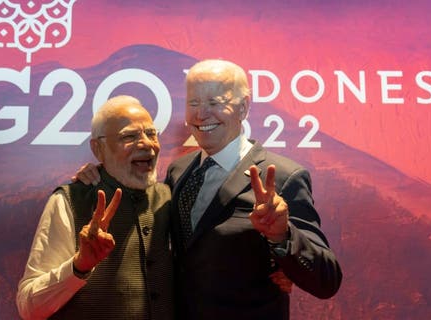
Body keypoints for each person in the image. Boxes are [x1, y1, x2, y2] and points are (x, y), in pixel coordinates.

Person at [75, 59, 342, 319]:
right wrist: (101, 172)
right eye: (194, 103)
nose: (201, 114)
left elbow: (326, 280)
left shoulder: (284, 177)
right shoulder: (178, 170)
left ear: (243, 107)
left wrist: (284, 236)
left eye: (215, 102)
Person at [16, 95, 174, 319]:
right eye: (129, 136)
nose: (147, 144)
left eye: (151, 134)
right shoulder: (70, 201)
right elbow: (29, 307)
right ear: (98, 149)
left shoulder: (169, 197)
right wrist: (79, 266)